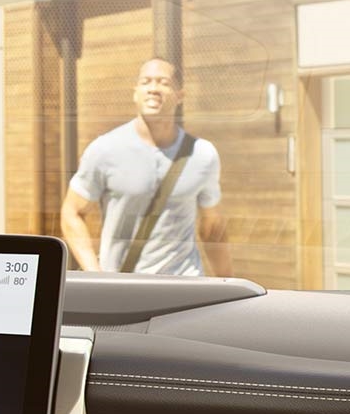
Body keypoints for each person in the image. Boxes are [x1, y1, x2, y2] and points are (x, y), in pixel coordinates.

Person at [61, 58, 231, 277]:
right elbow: (71, 212)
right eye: (146, 82)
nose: (153, 89)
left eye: (163, 82)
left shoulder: (202, 154)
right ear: (135, 93)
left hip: (185, 285)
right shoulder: (105, 149)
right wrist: (95, 274)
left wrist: (229, 288)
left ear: (180, 95)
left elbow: (213, 229)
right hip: (124, 287)